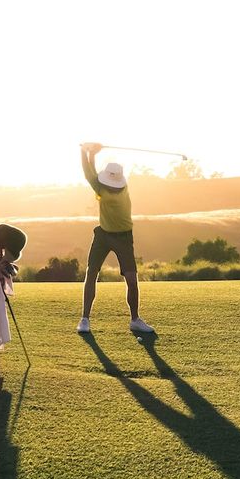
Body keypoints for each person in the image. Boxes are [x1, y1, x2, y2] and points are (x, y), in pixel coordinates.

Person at [77, 143, 155, 336]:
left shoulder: (112, 188)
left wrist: (90, 152)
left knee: (131, 279)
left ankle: (135, 320)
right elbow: (89, 172)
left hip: (123, 237)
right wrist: (87, 152)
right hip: (103, 235)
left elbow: (90, 174)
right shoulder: (104, 187)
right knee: (91, 273)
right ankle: (85, 319)